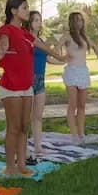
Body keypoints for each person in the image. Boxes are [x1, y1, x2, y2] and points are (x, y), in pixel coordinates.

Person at [0, 0, 66, 175]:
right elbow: (4, 42)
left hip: (27, 86)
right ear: (13, 11)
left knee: (24, 126)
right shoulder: (6, 30)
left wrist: (61, 57)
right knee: (13, 127)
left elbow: (43, 47)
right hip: (10, 86)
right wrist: (2, 50)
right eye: (24, 8)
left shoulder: (25, 34)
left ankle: (21, 164)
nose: (28, 11)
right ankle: (10, 167)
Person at [56, 12, 98, 143]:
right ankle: (74, 135)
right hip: (71, 72)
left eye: (81, 20)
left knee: (82, 106)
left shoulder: (85, 37)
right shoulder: (66, 36)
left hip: (83, 72)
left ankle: (81, 133)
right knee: (73, 105)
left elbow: (96, 50)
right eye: (77, 21)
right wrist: (62, 58)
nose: (79, 23)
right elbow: (54, 50)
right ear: (71, 22)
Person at [28, 10, 64, 163]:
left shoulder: (41, 40)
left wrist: (63, 61)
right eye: (36, 20)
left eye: (40, 20)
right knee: (25, 118)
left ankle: (38, 147)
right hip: (27, 80)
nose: (39, 22)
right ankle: (22, 147)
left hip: (40, 81)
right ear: (29, 22)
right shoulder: (26, 39)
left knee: (37, 117)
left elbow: (48, 59)